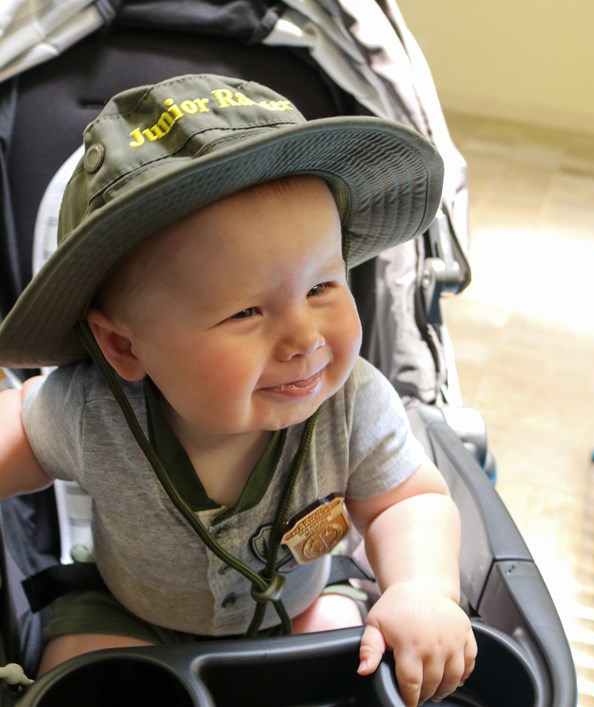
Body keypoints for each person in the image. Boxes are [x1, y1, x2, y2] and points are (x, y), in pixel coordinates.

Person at [0, 73, 476, 706]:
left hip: (298, 613)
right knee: (81, 677)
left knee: (351, 650)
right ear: (124, 347)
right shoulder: (90, 409)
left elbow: (406, 502)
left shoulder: (353, 404)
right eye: (246, 313)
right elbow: (14, 436)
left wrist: (421, 588)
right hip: (127, 614)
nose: (304, 337)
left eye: (321, 288)